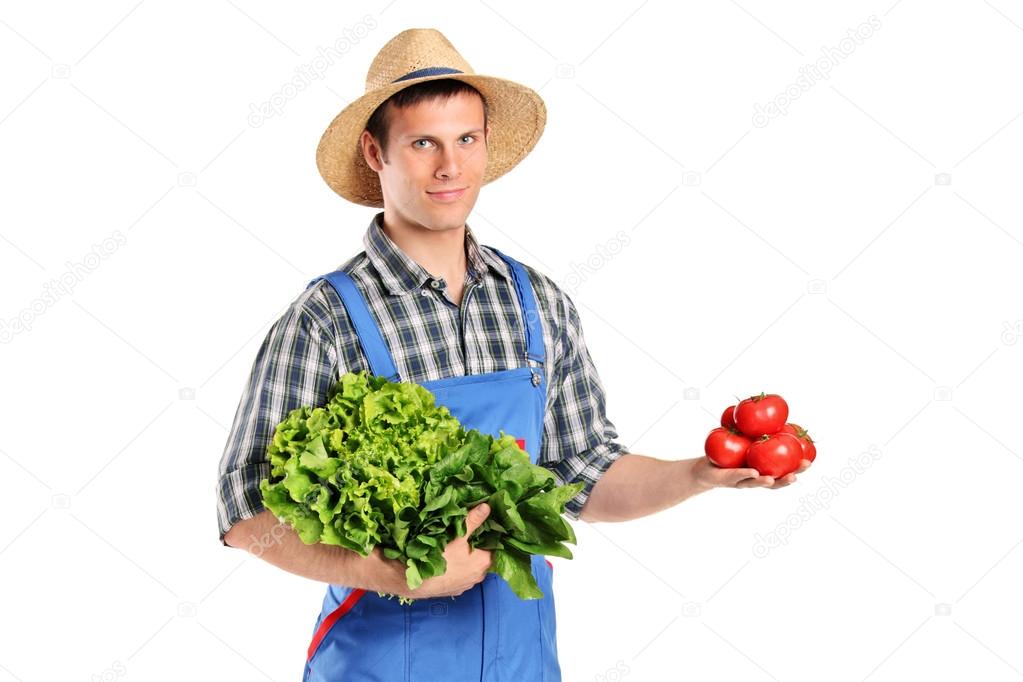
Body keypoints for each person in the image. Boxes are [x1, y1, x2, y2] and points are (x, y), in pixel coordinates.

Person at [215, 27, 811, 681]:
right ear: (374, 151)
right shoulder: (326, 319)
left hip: (521, 662)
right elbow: (246, 514)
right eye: (423, 143)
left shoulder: (537, 302)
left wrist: (700, 474)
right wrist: (391, 572)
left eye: (465, 139)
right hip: (380, 665)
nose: (450, 167)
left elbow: (580, 472)